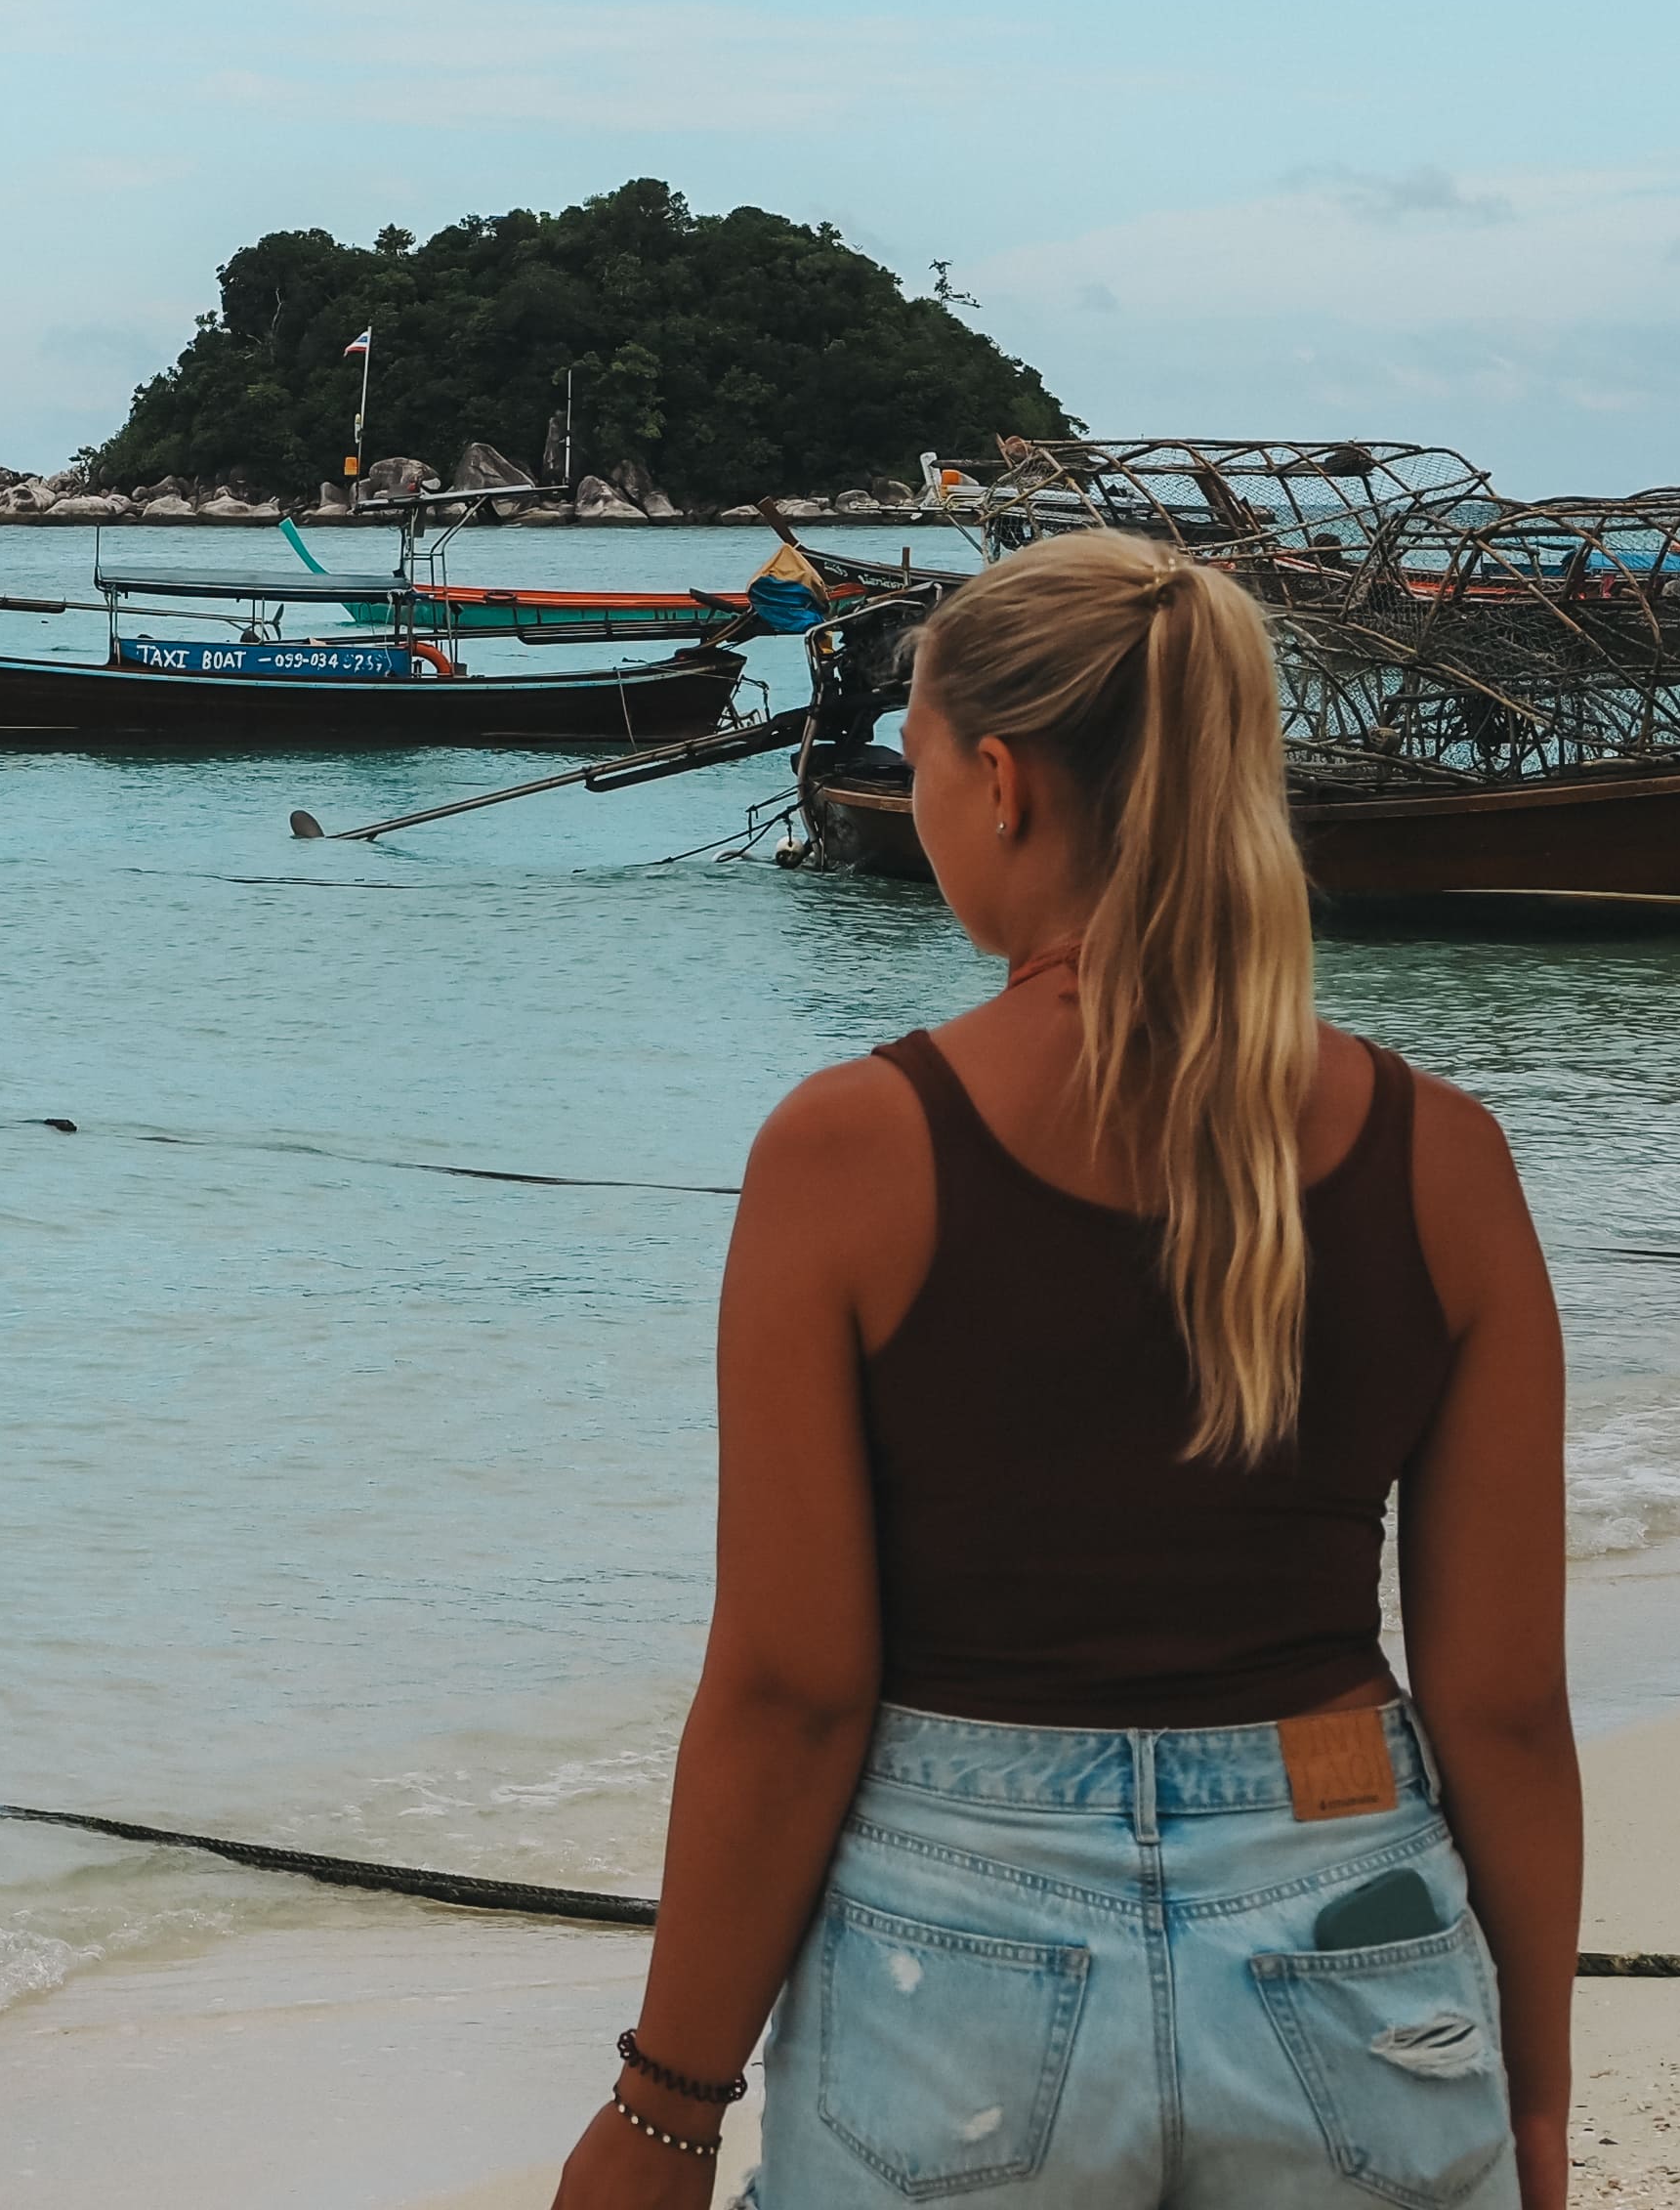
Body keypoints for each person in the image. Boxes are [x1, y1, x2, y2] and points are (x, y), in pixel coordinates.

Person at [558, 531, 1578, 2209]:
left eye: (914, 758)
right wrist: (1530, 2105)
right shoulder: (1440, 1159)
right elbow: (1503, 1709)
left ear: (999, 778)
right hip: (1353, 1930)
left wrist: (664, 2106)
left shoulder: (852, 1149)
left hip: (954, 1963)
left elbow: (791, 1687)